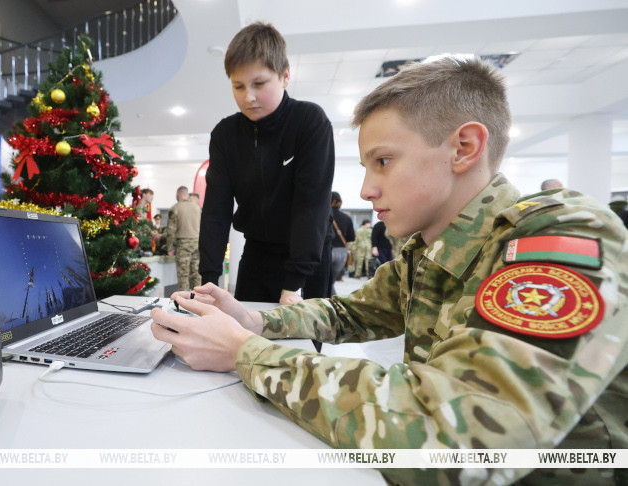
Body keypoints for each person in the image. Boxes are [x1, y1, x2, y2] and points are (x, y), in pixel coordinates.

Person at [150, 56, 628, 485]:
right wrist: (253, 321)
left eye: (383, 162)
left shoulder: (560, 238)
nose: (366, 190)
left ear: (464, 147)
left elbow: (458, 442)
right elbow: (349, 314)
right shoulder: (428, 251)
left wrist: (246, 353)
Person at [199, 21, 335, 306]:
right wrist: (209, 281)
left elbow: (310, 205)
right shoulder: (225, 135)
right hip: (257, 253)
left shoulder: (309, 122)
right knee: (246, 341)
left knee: (302, 344)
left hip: (307, 259)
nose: (248, 97)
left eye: (259, 84)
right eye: (238, 86)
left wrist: (293, 285)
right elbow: (216, 211)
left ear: (285, 76)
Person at [166, 186, 202, 291]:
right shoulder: (197, 208)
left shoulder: (175, 208)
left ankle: (183, 303)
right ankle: (198, 301)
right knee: (196, 275)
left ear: (178, 194)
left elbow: (171, 231)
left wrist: (169, 248)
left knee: (183, 276)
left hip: (183, 246)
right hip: (197, 244)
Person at [328, 191, 355, 292]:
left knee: (326, 282)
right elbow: (352, 237)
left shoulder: (323, 215)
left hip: (327, 250)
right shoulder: (346, 218)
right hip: (342, 252)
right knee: (332, 281)